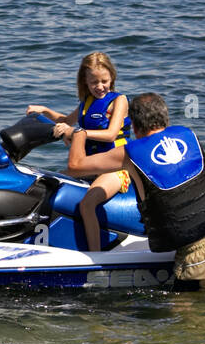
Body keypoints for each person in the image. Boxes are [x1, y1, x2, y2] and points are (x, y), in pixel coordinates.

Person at [68, 93, 205, 288]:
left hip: (201, 253)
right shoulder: (188, 134)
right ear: (165, 118)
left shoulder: (130, 152)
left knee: (188, 314)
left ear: (134, 126)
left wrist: (79, 133)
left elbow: (76, 165)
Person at [27, 52, 132, 251]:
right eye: (94, 82)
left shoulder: (119, 101)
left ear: (112, 78)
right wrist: (45, 111)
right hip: (91, 165)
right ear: (85, 81)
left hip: (116, 168)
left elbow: (110, 135)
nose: (100, 86)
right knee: (46, 186)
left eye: (104, 81)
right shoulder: (87, 102)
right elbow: (66, 120)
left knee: (87, 204)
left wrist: (76, 132)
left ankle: (96, 256)